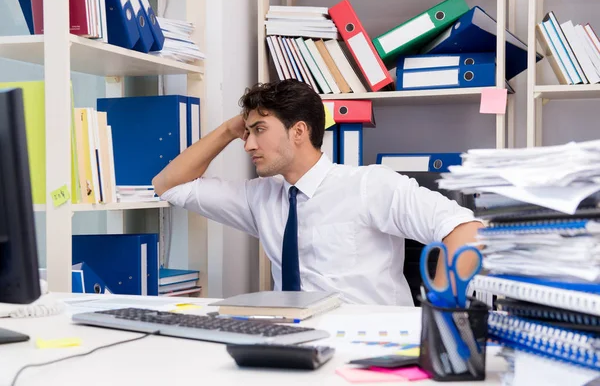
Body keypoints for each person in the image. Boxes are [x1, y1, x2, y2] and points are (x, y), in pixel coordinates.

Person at [153, 79, 483, 306]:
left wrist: (442, 315)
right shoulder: (260, 198)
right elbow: (169, 185)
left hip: (369, 345)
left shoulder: (369, 185)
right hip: (293, 343)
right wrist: (227, 130)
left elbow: (467, 229)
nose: (248, 144)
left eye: (259, 131)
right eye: (247, 132)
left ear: (299, 131)